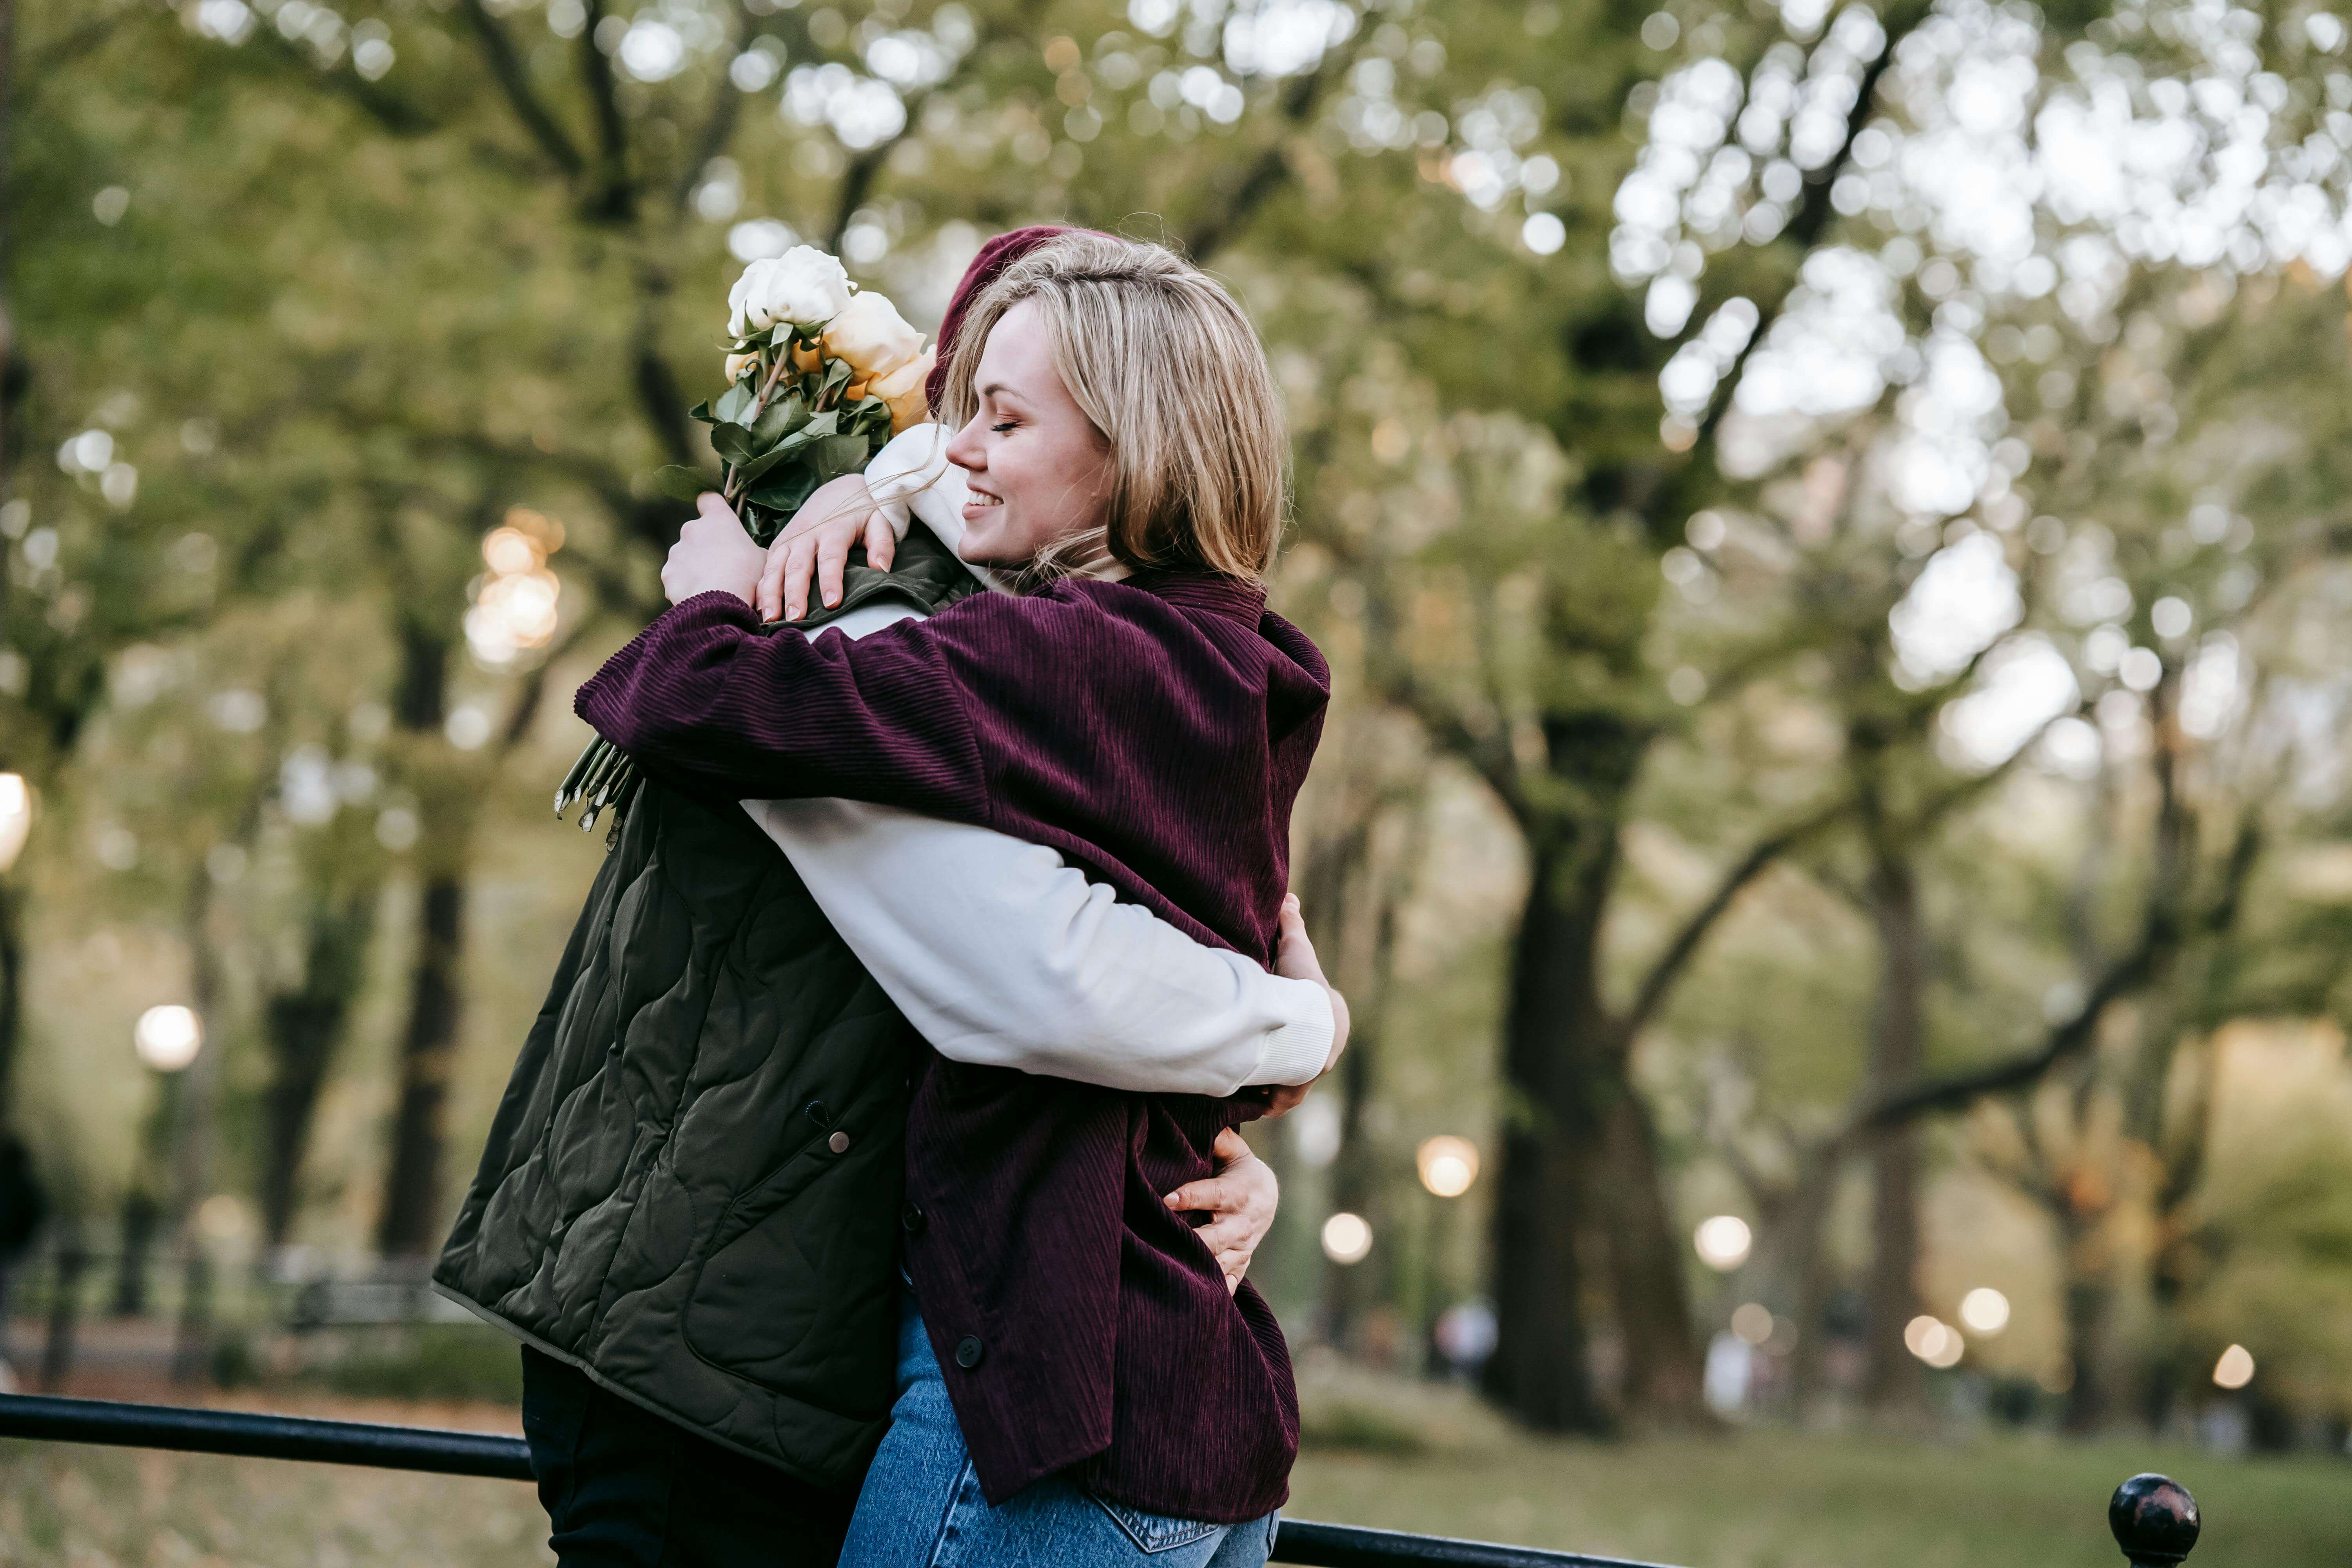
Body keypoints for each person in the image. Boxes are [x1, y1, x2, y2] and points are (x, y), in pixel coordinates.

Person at [433, 228, 1345, 1568]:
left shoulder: (1009, 652)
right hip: (711, 1353)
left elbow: (1045, 982)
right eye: (951, 406)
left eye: (999, 415)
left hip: (941, 1387)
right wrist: (1281, 1046)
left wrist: (707, 611)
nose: (957, 437)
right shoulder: (1236, 673)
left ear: (1132, 447)